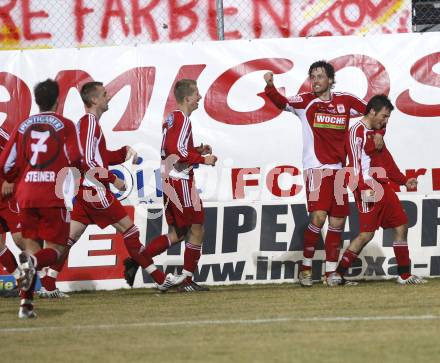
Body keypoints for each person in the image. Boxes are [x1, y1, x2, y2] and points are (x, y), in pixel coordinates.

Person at [41, 81, 184, 296]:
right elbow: (89, 160)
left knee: (68, 239)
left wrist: (120, 153)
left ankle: (47, 285)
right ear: (94, 100)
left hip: (85, 191)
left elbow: (96, 156)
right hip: (95, 189)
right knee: (130, 230)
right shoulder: (89, 123)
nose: (109, 97)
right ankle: (160, 279)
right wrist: (112, 179)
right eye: (105, 94)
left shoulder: (89, 124)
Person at [264, 60, 383, 286]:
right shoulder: (305, 102)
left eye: (319, 76)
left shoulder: (345, 101)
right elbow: (282, 102)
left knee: (337, 221)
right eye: (312, 77)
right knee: (318, 218)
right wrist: (270, 86)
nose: (315, 81)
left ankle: (331, 274)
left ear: (330, 79)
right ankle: (306, 269)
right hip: (316, 169)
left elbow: (375, 112)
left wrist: (380, 131)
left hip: (338, 170)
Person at [124, 79, 217, 292]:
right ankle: (186, 280)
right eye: (197, 94)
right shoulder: (182, 119)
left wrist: (197, 150)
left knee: (178, 233)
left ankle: (138, 260)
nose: (200, 98)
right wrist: (204, 160)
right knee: (197, 228)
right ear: (187, 98)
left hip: (169, 180)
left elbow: (175, 148)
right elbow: (176, 150)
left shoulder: (172, 118)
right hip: (180, 181)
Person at [0, 79, 82, 318]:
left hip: (25, 195)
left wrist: (12, 178)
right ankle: (33, 265)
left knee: (31, 247)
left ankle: (26, 306)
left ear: (36, 101)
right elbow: (76, 158)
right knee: (54, 250)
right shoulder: (65, 125)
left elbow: (6, 162)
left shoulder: (23, 125)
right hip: (51, 193)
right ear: (58, 100)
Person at [326, 94, 427, 286]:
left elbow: (385, 161)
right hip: (366, 187)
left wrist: (404, 180)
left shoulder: (376, 130)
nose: (386, 121)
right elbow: (354, 165)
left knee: (401, 226)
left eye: (388, 117)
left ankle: (404, 275)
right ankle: (337, 275)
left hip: (383, 186)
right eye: (384, 116)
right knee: (366, 234)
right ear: (372, 112)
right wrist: (362, 190)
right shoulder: (356, 131)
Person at [0, 126, 24, 297]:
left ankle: (47, 283)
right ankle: (21, 279)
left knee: (21, 239)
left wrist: (11, 178)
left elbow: (17, 151)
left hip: (6, 194)